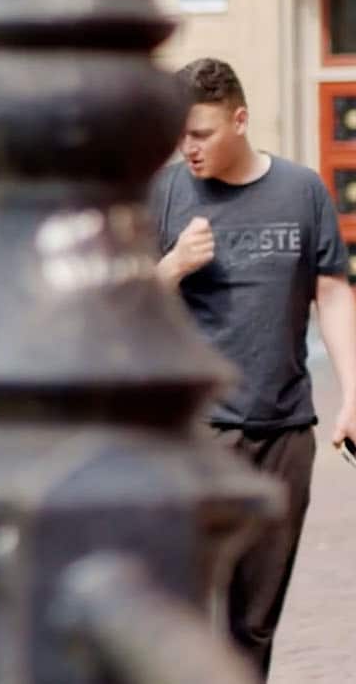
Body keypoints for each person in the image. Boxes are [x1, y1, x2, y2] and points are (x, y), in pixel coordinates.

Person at [152, 58, 356, 675]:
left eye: (203, 133)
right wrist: (175, 266)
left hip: (282, 433)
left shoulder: (301, 191)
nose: (189, 148)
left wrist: (353, 392)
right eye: (181, 134)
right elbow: (121, 303)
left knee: (254, 622)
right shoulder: (164, 193)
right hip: (194, 435)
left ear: (240, 120)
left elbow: (333, 293)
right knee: (180, 607)